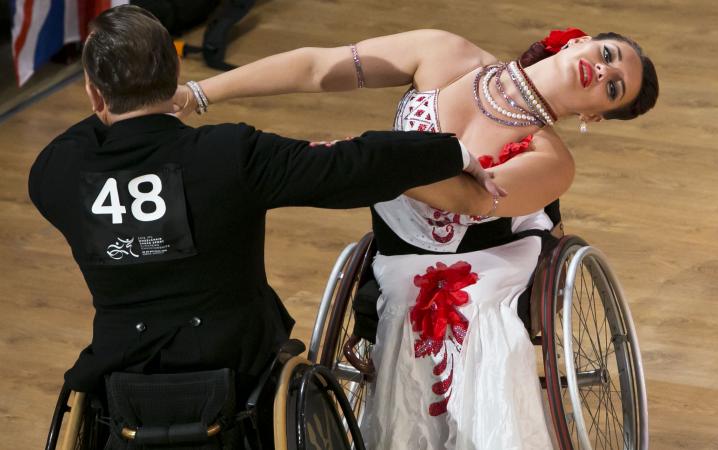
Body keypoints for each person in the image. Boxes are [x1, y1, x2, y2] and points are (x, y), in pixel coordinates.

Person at [173, 26, 659, 449]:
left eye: (613, 88)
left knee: (471, 329)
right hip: (398, 246)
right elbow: (318, 67)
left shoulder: (551, 159)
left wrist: (361, 161)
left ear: (594, 116)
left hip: (478, 266)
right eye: (608, 55)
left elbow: (469, 200)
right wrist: (199, 93)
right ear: (579, 42)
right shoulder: (444, 53)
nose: (603, 72)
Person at [27, 4, 500, 434]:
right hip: (238, 367)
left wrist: (119, 103)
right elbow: (352, 165)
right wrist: (448, 150)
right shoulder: (229, 156)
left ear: (93, 93)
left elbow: (88, 134)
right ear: (173, 75)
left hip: (121, 377)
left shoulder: (56, 174)